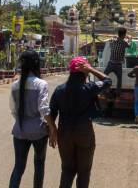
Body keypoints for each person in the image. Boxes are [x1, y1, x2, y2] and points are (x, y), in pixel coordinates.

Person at [49, 57, 111, 188]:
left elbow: (51, 113)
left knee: (67, 170)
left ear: (71, 72)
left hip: (64, 134)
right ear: (85, 72)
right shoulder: (89, 88)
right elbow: (108, 81)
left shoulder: (59, 90)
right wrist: (91, 69)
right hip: (84, 133)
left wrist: (52, 130)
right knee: (84, 172)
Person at [8, 50, 56, 188]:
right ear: (37, 64)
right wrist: (52, 126)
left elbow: (13, 109)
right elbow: (43, 108)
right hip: (38, 131)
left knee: (18, 167)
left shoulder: (15, 85)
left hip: (20, 129)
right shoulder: (41, 84)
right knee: (39, 164)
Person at [104, 27, 128, 95]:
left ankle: (105, 90)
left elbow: (111, 44)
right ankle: (118, 92)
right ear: (123, 35)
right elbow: (129, 45)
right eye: (125, 35)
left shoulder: (113, 41)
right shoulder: (124, 43)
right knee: (119, 80)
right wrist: (129, 38)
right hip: (118, 64)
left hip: (111, 63)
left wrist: (114, 37)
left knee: (103, 76)